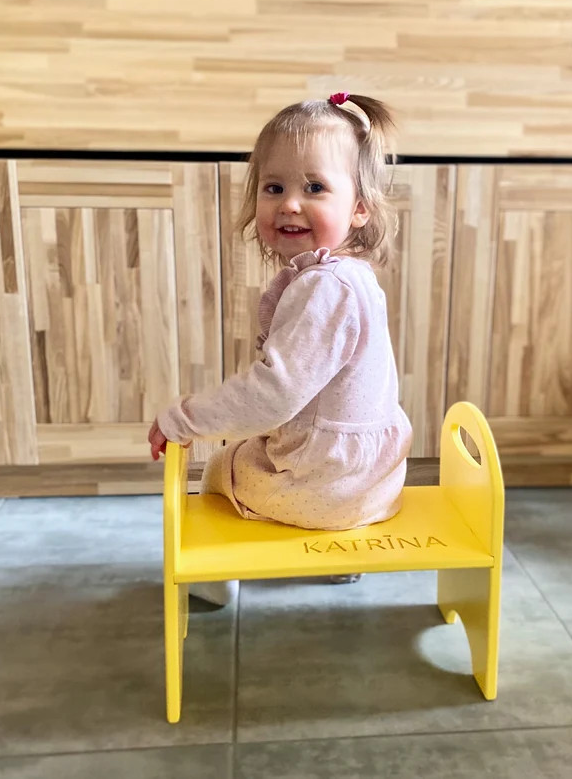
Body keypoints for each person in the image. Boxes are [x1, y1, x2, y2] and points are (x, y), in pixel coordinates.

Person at [149, 92, 413, 605]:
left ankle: (214, 583)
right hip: (373, 480)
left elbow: (272, 396)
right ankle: (340, 563)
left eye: (314, 187)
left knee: (221, 469)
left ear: (360, 207)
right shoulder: (354, 277)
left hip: (329, 486)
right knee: (253, 451)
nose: (290, 203)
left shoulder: (323, 288)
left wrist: (184, 417)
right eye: (275, 187)